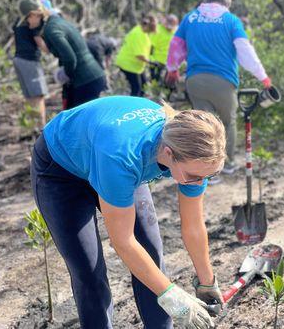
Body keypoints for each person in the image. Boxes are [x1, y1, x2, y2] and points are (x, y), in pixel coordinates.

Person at [30, 96, 224, 328]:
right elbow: (123, 241)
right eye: (195, 177)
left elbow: (193, 226)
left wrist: (206, 282)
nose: (199, 182)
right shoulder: (123, 157)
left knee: (150, 252)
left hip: (110, 157)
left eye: (208, 176)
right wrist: (173, 297)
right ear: (169, 153)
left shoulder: (195, 159)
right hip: (62, 169)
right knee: (89, 271)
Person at [166, 0, 272, 181]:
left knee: (204, 125)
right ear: (227, 3)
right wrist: (263, 77)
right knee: (227, 122)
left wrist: (172, 69)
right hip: (224, 80)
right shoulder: (231, 21)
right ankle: (228, 164)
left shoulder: (190, 18)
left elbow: (176, 46)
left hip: (195, 80)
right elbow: (245, 51)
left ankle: (208, 171)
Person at [21, 0, 107, 110]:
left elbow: (70, 58)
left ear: (34, 15)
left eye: (27, 19)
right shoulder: (58, 23)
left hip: (86, 81)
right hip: (91, 78)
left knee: (78, 124)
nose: (27, 23)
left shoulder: (51, 29)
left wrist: (65, 74)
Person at [13, 0, 49, 128]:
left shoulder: (17, 21)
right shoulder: (33, 23)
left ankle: (33, 126)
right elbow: (40, 43)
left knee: (29, 96)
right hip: (30, 60)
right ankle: (42, 128)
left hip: (18, 59)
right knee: (39, 95)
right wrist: (49, 49)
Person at [116, 14, 157, 97]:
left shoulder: (143, 31)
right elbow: (139, 55)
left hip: (137, 67)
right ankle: (131, 108)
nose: (151, 32)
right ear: (146, 25)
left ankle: (140, 105)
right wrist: (151, 62)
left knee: (143, 86)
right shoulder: (137, 34)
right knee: (137, 88)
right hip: (128, 65)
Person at [150, 14, 179, 83]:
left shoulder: (177, 31)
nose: (169, 28)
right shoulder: (158, 30)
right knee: (155, 82)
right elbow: (150, 47)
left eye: (171, 26)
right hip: (156, 62)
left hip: (170, 64)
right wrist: (151, 60)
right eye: (167, 25)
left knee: (168, 84)